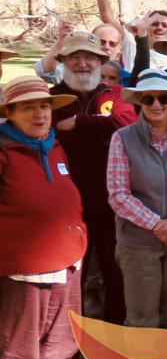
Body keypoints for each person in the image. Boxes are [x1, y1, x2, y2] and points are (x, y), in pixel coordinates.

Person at [0, 76, 94, 359]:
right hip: (25, 265)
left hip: (68, 258)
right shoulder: (5, 151)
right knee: (20, 344)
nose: (39, 114)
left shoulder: (52, 147)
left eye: (44, 106)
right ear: (10, 113)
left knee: (62, 338)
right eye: (28, 107)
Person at [49, 30, 138, 324]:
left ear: (101, 62)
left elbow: (126, 125)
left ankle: (114, 340)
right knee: (71, 279)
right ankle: (71, 346)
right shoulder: (51, 98)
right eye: (75, 57)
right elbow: (53, 135)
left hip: (112, 205)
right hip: (66, 210)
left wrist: (78, 123)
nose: (82, 63)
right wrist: (101, 133)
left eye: (89, 57)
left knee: (116, 275)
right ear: (64, 61)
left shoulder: (115, 94)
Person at [108, 71, 167, 333]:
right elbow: (118, 195)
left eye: (163, 98)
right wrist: (159, 226)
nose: (156, 105)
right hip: (138, 245)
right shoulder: (122, 138)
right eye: (148, 98)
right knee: (142, 318)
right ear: (139, 100)